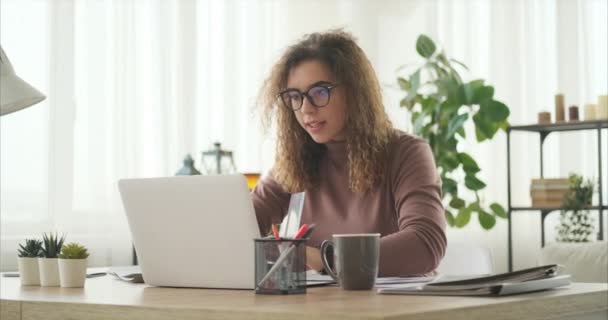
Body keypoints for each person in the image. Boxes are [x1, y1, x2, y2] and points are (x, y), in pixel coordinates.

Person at [252, 29, 446, 276]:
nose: (306, 109)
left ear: (354, 92)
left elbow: (425, 244)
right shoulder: (294, 162)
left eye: (319, 92)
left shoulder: (406, 153)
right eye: (294, 96)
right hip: (317, 311)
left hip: (393, 308)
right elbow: (238, 228)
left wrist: (326, 258)